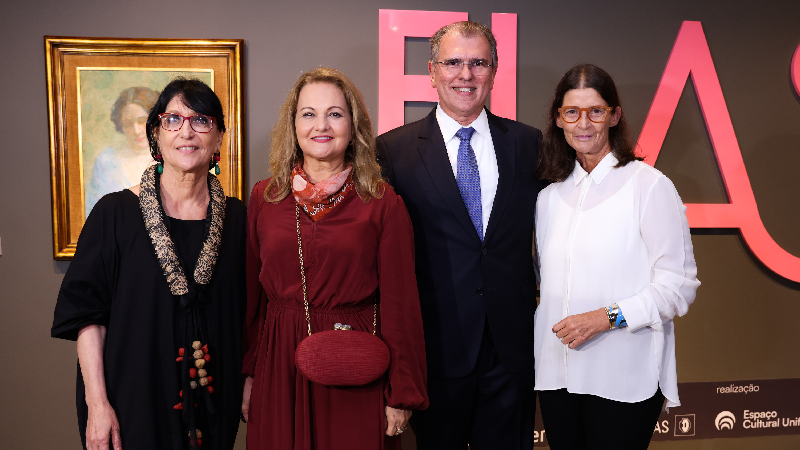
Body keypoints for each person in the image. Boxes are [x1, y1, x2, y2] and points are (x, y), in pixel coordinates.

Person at [376, 21, 545, 449]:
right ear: (432, 72)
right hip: (435, 351)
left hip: (512, 352)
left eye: (477, 63)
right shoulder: (393, 151)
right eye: (453, 63)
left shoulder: (529, 144)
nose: (465, 75)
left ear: (493, 70)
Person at [52, 78, 245, 450]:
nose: (186, 132)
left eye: (201, 120)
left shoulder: (238, 220)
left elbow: (256, 316)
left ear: (219, 136)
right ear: (156, 133)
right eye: (173, 119)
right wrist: (98, 404)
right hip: (131, 404)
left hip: (213, 406)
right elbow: (88, 319)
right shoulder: (114, 213)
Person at [241, 67, 428, 450]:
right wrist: (248, 373)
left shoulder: (382, 203)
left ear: (353, 125)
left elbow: (401, 305)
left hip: (355, 362)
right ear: (293, 125)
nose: (320, 125)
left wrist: (401, 391)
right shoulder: (266, 197)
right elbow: (251, 301)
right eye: (308, 113)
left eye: (335, 114)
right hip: (279, 363)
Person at [534, 64, 701, 449]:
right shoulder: (548, 198)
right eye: (572, 112)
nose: (584, 123)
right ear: (558, 119)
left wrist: (605, 318)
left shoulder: (650, 186)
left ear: (615, 116)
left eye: (596, 111)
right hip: (557, 377)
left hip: (625, 375)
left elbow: (679, 286)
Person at [85, 86, 158, 217]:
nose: (136, 131)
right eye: (128, 124)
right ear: (120, 126)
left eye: (142, 121)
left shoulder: (169, 158)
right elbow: (93, 214)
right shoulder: (106, 161)